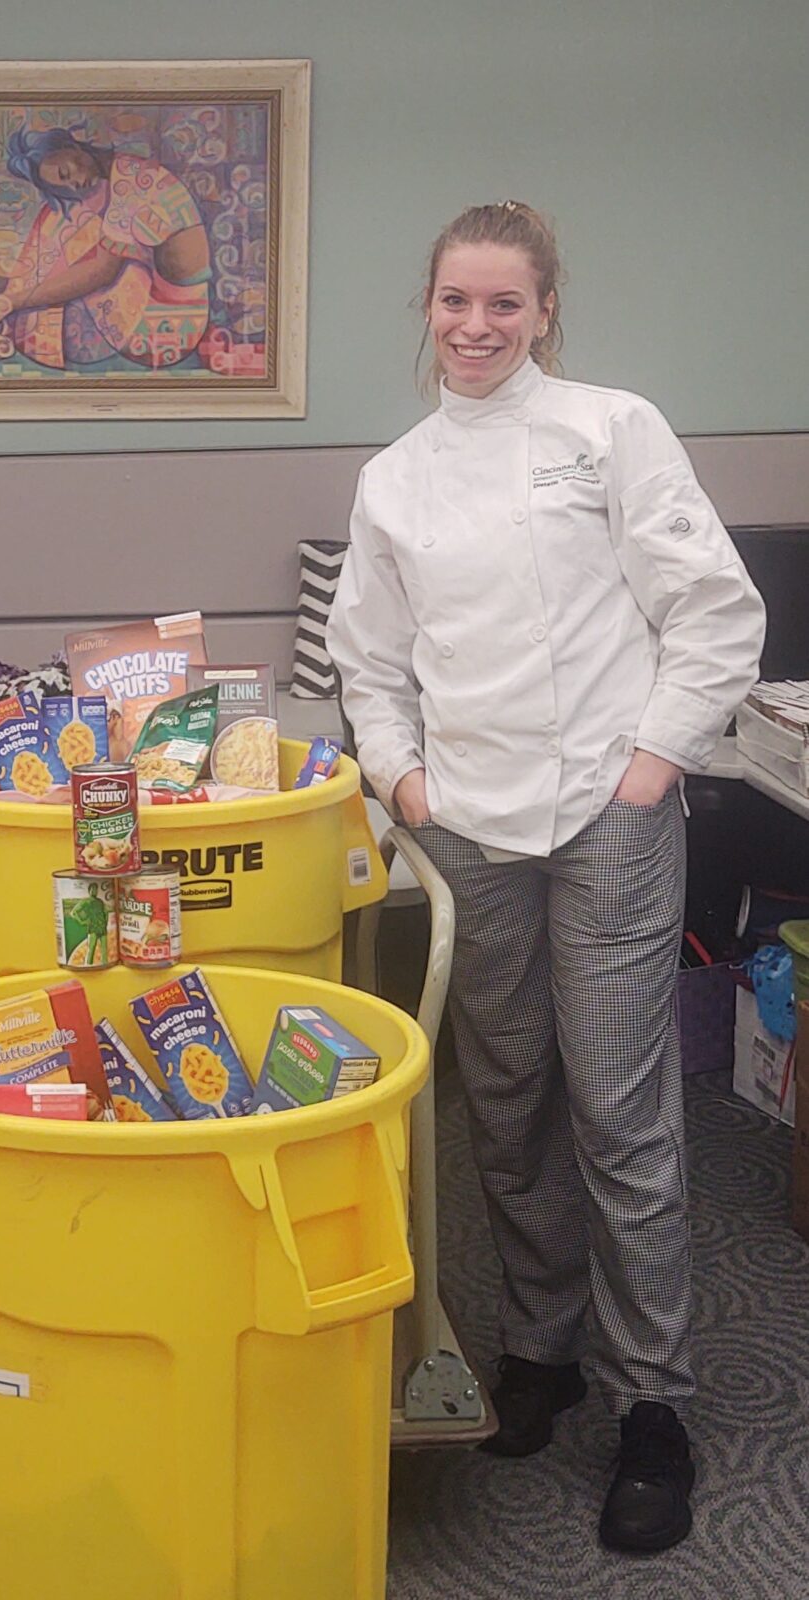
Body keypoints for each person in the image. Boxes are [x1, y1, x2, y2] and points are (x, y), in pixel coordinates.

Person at [328, 202, 764, 1553]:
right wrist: (401, 780)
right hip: (467, 823)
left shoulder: (608, 430)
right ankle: (541, 1348)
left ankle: (653, 1407)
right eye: (455, 301)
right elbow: (368, 658)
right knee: (507, 1104)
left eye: (502, 305)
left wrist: (650, 767)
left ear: (543, 313)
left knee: (621, 1115)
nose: (474, 327)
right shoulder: (396, 475)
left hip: (609, 816)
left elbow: (714, 611)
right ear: (427, 306)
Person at [0, 126, 212, 372]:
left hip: (169, 327)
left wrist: (10, 301)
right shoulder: (123, 166)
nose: (74, 185)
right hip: (172, 306)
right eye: (62, 187)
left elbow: (100, 273)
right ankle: (0, 326)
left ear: (72, 146)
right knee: (59, 224)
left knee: (71, 250)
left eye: (66, 173)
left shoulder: (131, 183)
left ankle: (4, 328)